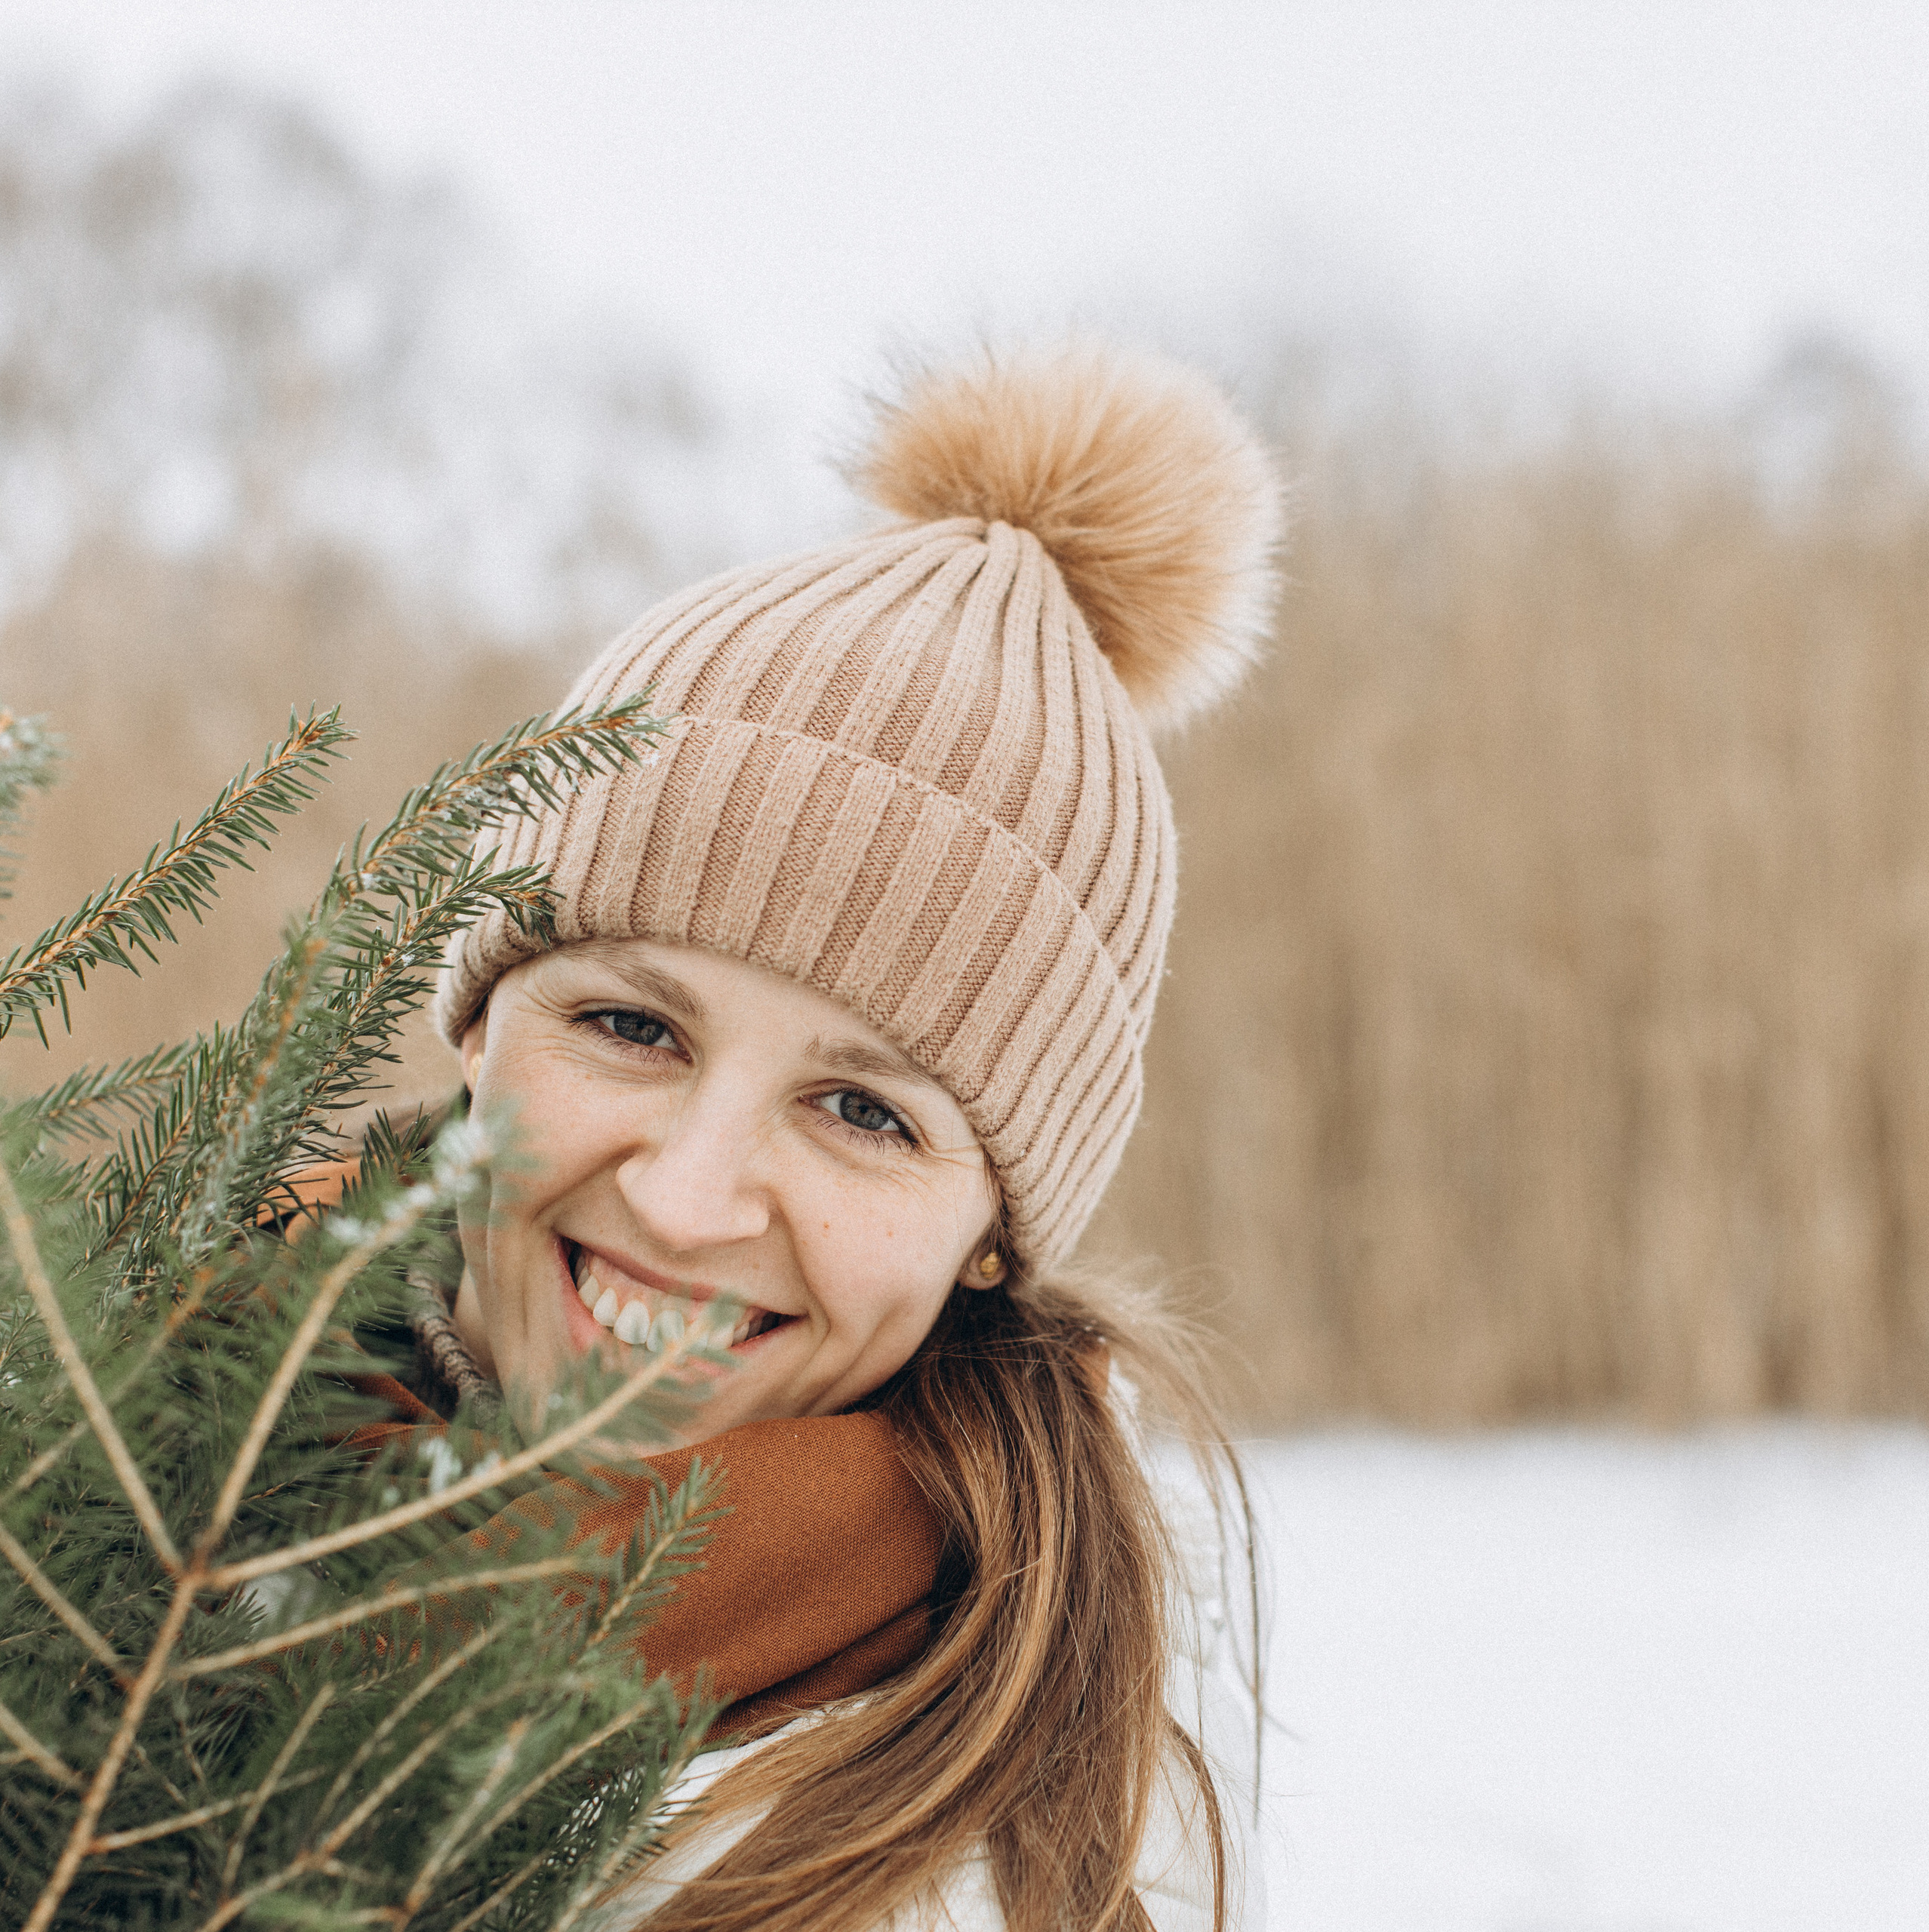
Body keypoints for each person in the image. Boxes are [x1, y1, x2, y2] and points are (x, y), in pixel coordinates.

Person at [382, 340, 1281, 1930]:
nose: (686, 1191)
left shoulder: (965, 1869)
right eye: (629, 1025)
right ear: (476, 1024)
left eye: (862, 1109)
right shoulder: (84, 1467)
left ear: (992, 1230)